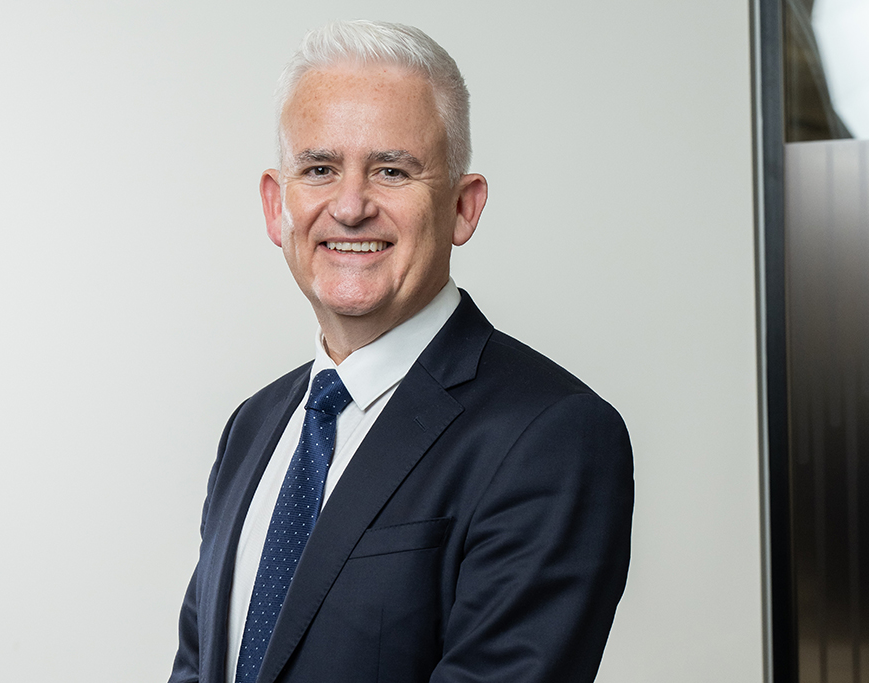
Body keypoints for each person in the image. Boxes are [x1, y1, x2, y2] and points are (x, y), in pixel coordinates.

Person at [168, 19, 633, 683]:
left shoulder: (552, 437)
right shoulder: (254, 426)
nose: (350, 206)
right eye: (320, 169)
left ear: (463, 207)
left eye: (392, 170)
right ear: (277, 205)